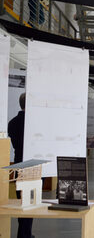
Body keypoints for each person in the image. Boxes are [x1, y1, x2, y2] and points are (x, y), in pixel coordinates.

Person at [8, 93, 35, 238]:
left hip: (18, 165)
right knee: (30, 203)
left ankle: (24, 233)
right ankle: (25, 235)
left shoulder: (12, 123)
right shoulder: (33, 123)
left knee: (22, 201)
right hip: (32, 167)